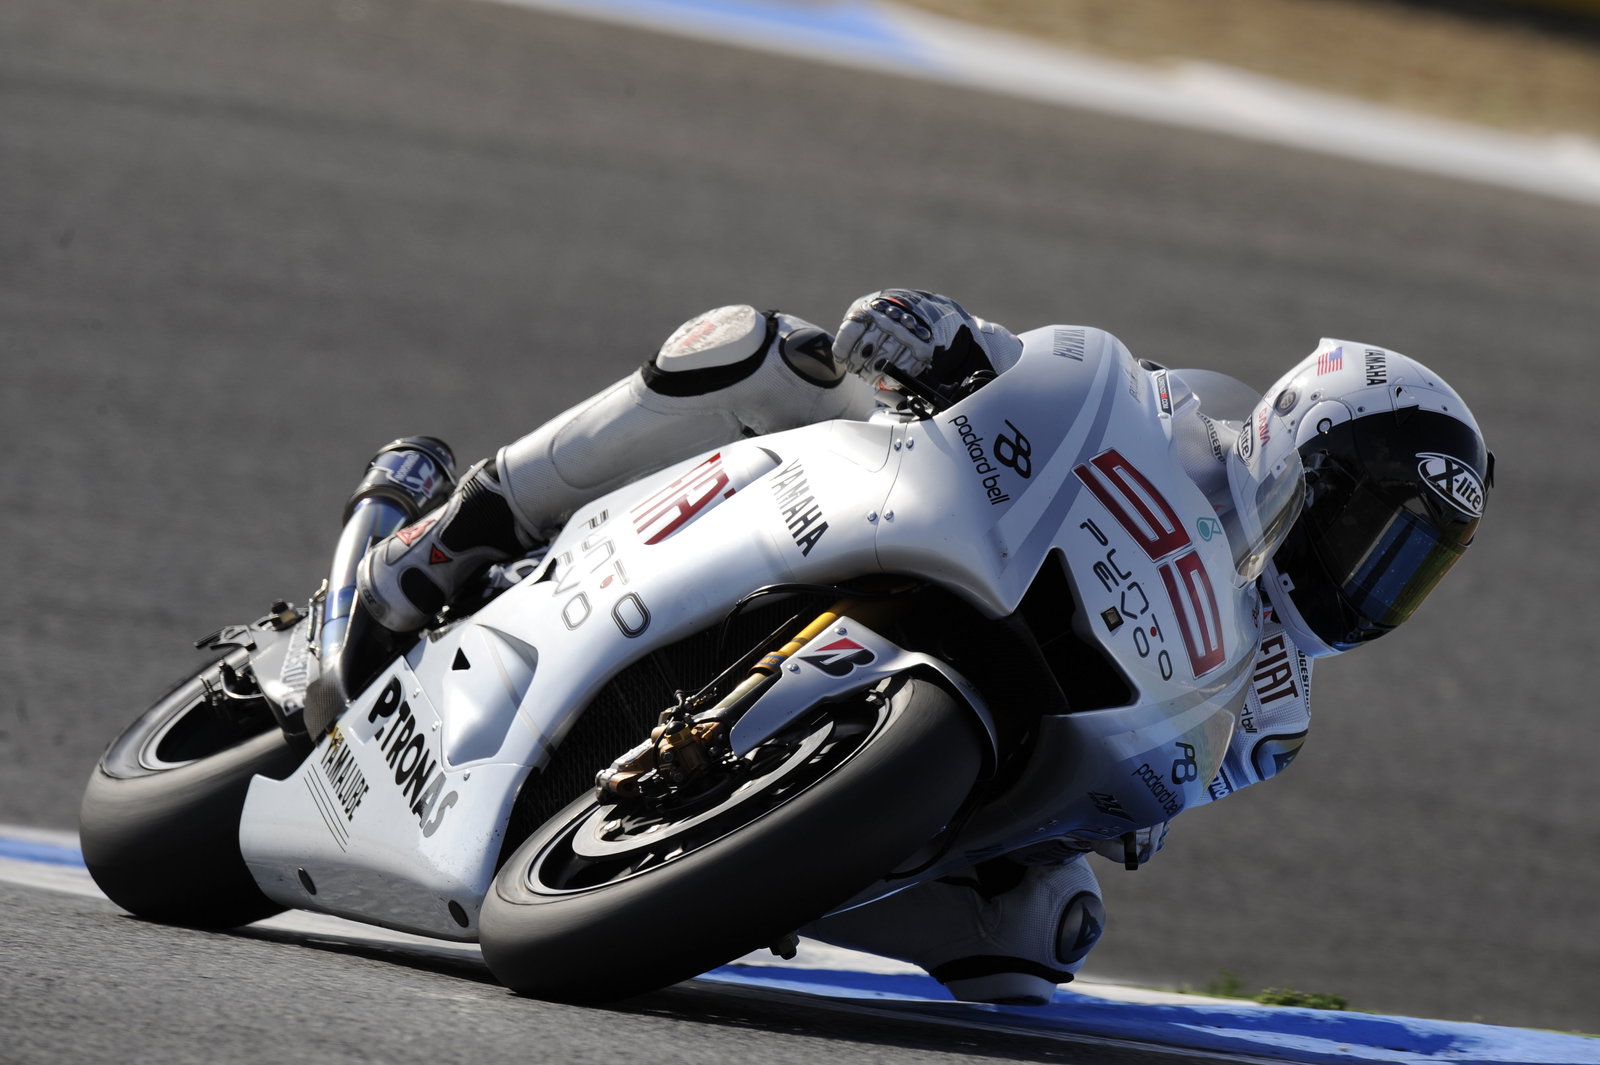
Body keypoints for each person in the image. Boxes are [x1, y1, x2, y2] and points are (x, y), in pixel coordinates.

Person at [356, 290, 1493, 1005]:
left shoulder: (1281, 710)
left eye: (1408, 567)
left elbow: (1158, 799)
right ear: (1304, 459)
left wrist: (1133, 809)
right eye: (1370, 533)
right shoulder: (1178, 423)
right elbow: (1050, 394)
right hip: (905, 516)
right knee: (757, 349)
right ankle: (473, 523)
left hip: (1010, 758)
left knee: (1044, 941)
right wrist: (947, 342)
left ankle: (750, 863)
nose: (1368, 577)